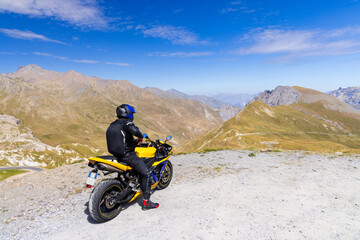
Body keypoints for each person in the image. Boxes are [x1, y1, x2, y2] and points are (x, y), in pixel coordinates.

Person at [106, 104, 159, 210]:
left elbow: (123, 140)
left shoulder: (112, 124)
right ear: (128, 113)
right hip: (127, 155)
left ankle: (130, 183)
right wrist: (140, 136)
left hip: (116, 155)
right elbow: (135, 131)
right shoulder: (126, 122)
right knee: (146, 173)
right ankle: (146, 202)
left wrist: (134, 142)